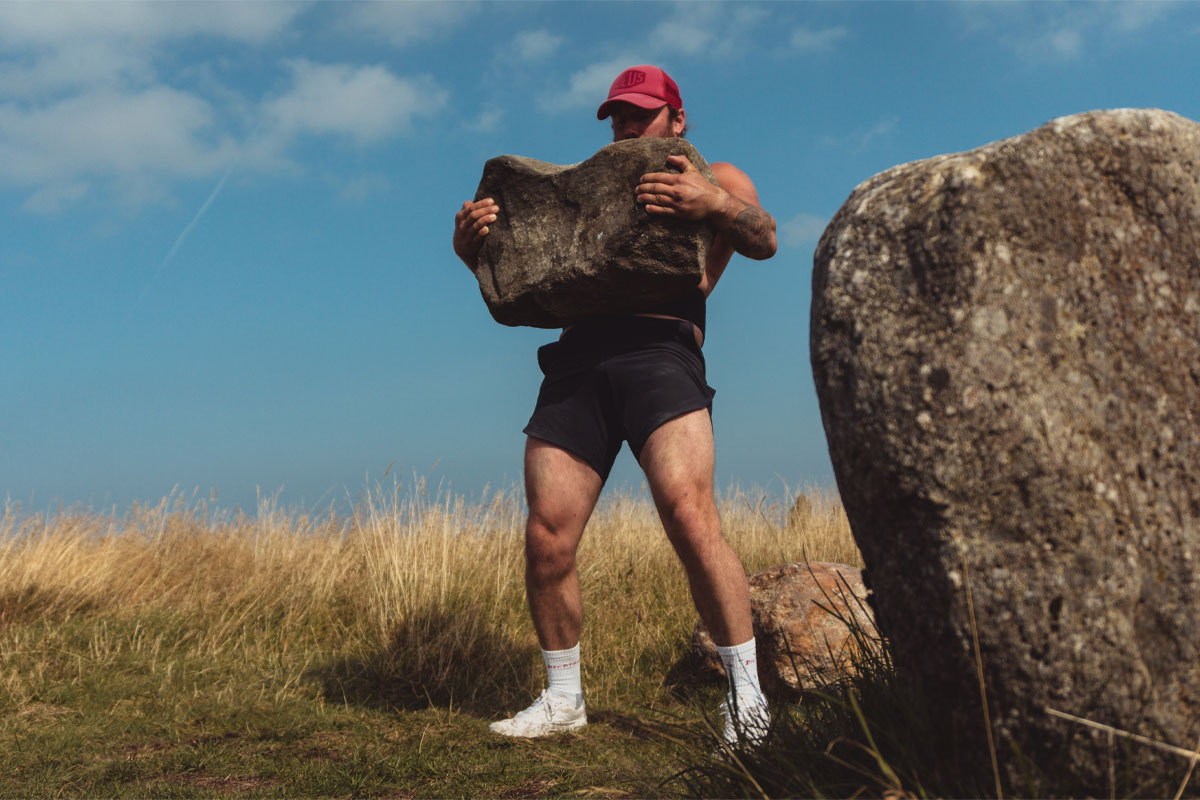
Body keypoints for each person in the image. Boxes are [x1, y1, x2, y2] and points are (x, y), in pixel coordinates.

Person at [452, 65, 778, 746]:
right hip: (577, 360)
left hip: (661, 351)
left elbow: (764, 238)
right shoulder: (587, 194)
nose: (628, 127)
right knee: (547, 535)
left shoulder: (713, 173)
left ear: (677, 119)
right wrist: (472, 252)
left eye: (642, 115)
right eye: (618, 117)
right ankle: (563, 699)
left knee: (690, 514)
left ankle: (749, 702)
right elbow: (529, 294)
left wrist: (711, 205)